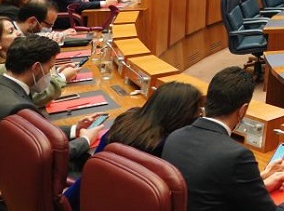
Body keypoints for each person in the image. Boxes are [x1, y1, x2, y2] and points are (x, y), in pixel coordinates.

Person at [162, 67, 284, 211]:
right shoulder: (236, 155)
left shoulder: (174, 137)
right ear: (242, 110)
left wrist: (261, 180)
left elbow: (209, 188)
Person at [65, 81, 203, 211]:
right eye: (198, 113)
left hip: (82, 197)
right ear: (184, 116)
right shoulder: (168, 145)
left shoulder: (126, 120)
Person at [0, 36, 101, 186]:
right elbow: (48, 155)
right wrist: (85, 141)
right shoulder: (19, 108)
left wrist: (74, 129)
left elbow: (40, 132)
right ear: (36, 68)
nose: (50, 74)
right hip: (14, 183)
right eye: (49, 68)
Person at [0, 18, 75, 107]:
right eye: (11, 31)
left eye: (15, 28)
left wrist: (50, 70)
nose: (19, 32)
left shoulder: (3, 62)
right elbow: (38, 97)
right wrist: (62, 77)